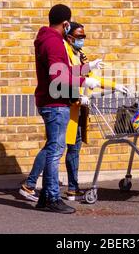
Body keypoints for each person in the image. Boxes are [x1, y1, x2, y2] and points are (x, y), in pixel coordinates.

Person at [20, 22, 130, 203]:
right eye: (79, 37)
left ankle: (72, 188)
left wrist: (113, 85)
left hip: (77, 109)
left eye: (84, 37)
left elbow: (88, 77)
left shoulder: (80, 54)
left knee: (73, 147)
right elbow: (65, 78)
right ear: (69, 36)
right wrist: (79, 94)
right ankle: (30, 185)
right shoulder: (65, 51)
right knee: (54, 148)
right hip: (67, 107)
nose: (82, 40)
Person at [26, 4, 103, 214]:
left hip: (51, 101)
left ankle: (44, 197)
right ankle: (51, 197)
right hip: (55, 103)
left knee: (53, 148)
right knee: (55, 151)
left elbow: (64, 69)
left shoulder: (48, 39)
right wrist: (84, 83)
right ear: (66, 23)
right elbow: (57, 76)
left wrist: (88, 67)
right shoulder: (54, 42)